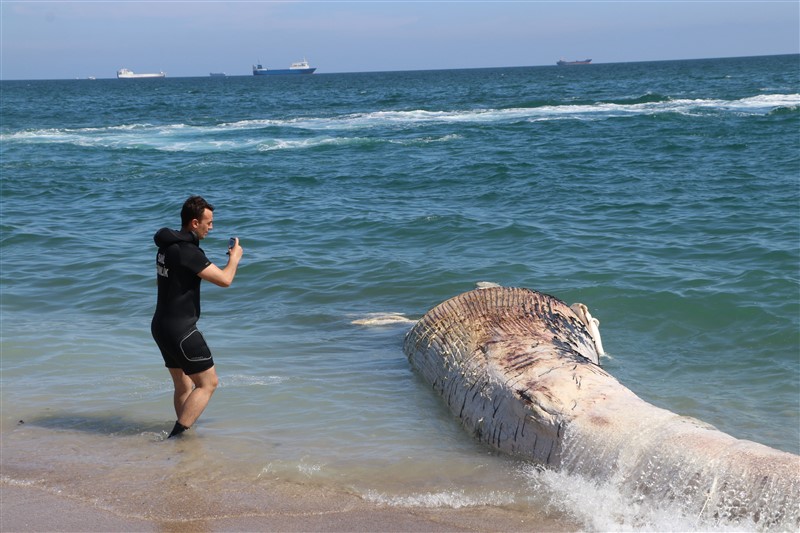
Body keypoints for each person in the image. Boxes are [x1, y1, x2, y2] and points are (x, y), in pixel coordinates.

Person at [151, 195, 243, 438]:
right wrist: (234, 259)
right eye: (208, 222)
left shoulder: (167, 246)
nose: (211, 227)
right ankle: (176, 436)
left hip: (161, 326)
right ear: (194, 223)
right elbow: (225, 280)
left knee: (183, 384)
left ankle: (184, 436)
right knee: (208, 383)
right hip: (182, 330)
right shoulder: (187, 251)